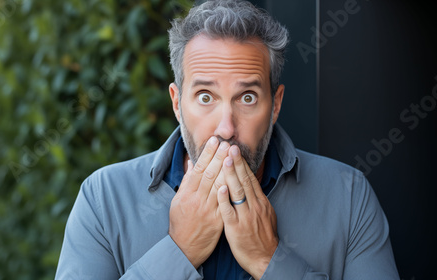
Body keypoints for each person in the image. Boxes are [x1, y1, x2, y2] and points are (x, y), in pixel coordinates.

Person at [55, 0, 399, 279]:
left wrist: (270, 260)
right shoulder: (103, 199)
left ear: (275, 104)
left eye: (247, 98)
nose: (226, 128)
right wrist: (179, 252)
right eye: (205, 97)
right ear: (177, 103)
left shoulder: (347, 196)